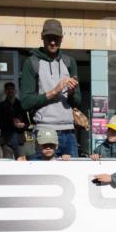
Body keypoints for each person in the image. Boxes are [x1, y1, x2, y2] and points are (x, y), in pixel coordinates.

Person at [20, 19, 80, 159]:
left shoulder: (70, 62)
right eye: (49, 38)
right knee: (41, 178)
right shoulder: (31, 63)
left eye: (56, 38)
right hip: (44, 132)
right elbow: (25, 102)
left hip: (69, 132)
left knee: (74, 176)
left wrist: (71, 94)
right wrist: (54, 91)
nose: (53, 42)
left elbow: (77, 101)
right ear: (42, 36)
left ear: (62, 38)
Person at [0, 82, 27, 160]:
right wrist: (12, 123)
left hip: (19, 139)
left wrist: (23, 125)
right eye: (8, 89)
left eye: (12, 89)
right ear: (5, 91)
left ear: (15, 91)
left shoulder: (22, 105)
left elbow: (28, 122)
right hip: (6, 141)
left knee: (22, 164)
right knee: (7, 165)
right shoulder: (0, 106)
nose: (10, 91)